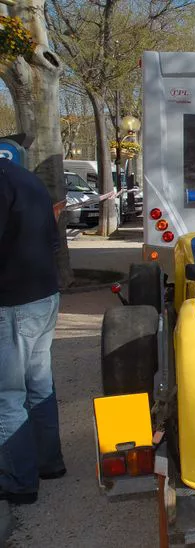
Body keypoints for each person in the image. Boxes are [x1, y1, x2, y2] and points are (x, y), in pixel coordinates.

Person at [0, 159, 66, 504]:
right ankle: (48, 463)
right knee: (39, 385)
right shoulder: (27, 179)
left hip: (13, 303)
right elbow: (54, 241)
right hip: (44, 296)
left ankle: (18, 481)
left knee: (7, 395)